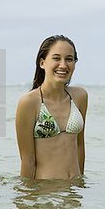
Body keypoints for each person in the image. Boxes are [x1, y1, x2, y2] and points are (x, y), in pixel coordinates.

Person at [15, 35, 88, 180]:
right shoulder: (29, 102)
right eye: (56, 58)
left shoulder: (80, 96)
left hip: (73, 191)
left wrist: (80, 186)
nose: (63, 65)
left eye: (69, 59)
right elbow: (27, 160)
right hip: (45, 192)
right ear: (42, 63)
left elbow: (80, 145)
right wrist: (26, 198)